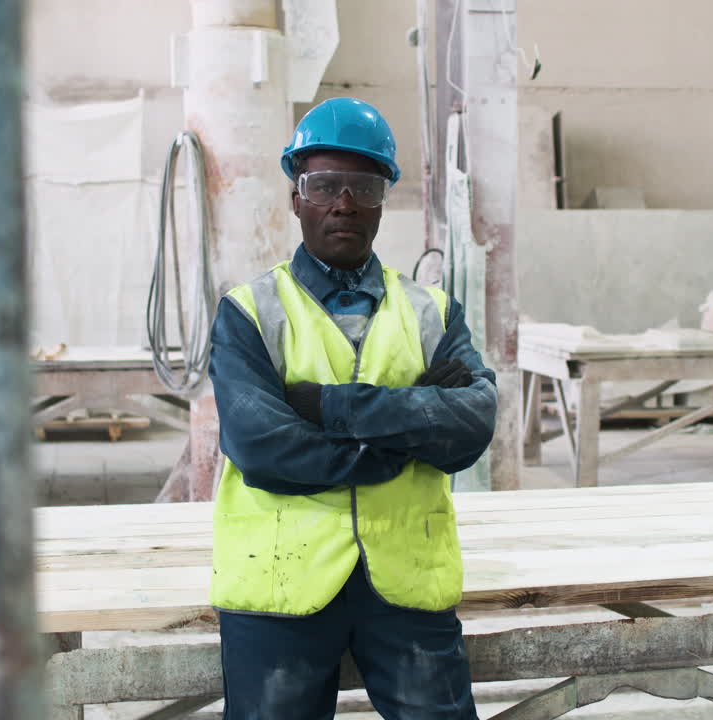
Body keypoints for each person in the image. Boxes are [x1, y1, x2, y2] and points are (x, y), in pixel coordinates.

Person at [208, 96, 498, 720]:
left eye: (364, 187)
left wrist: (328, 405)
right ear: (296, 198)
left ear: (383, 200)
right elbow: (261, 446)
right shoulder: (250, 312)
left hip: (406, 578)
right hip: (280, 583)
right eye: (323, 185)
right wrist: (404, 437)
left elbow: (472, 424)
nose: (344, 203)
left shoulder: (431, 312)